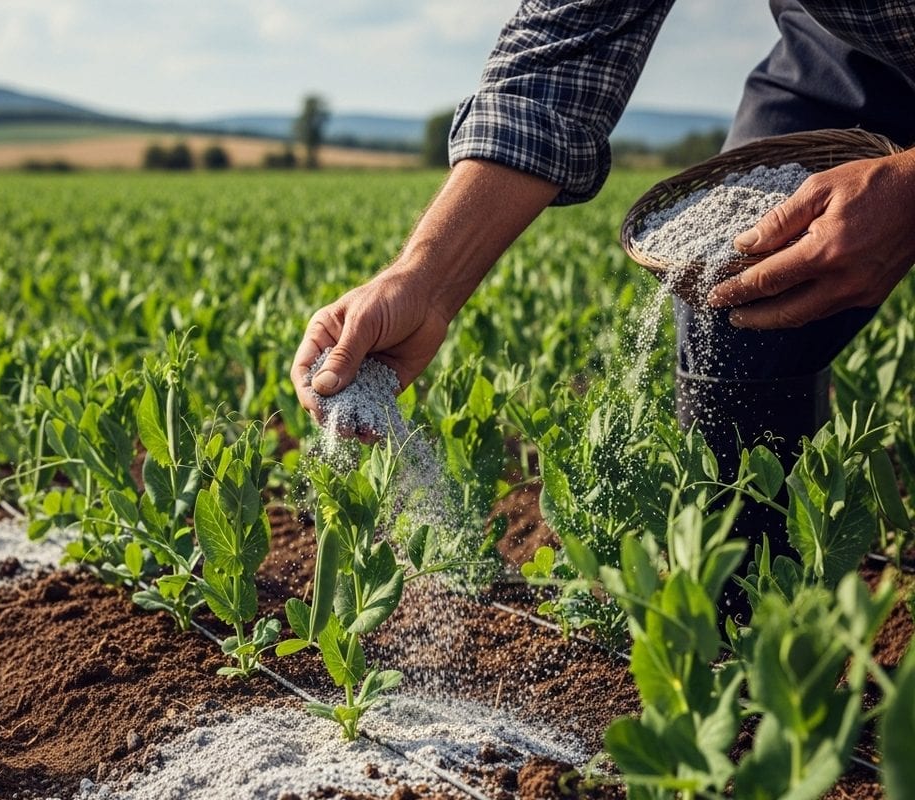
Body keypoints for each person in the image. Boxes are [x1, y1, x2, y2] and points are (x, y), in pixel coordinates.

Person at [289, 0, 915, 607]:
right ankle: (748, 631)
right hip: (844, 49)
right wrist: (423, 281)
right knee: (731, 304)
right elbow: (561, 49)